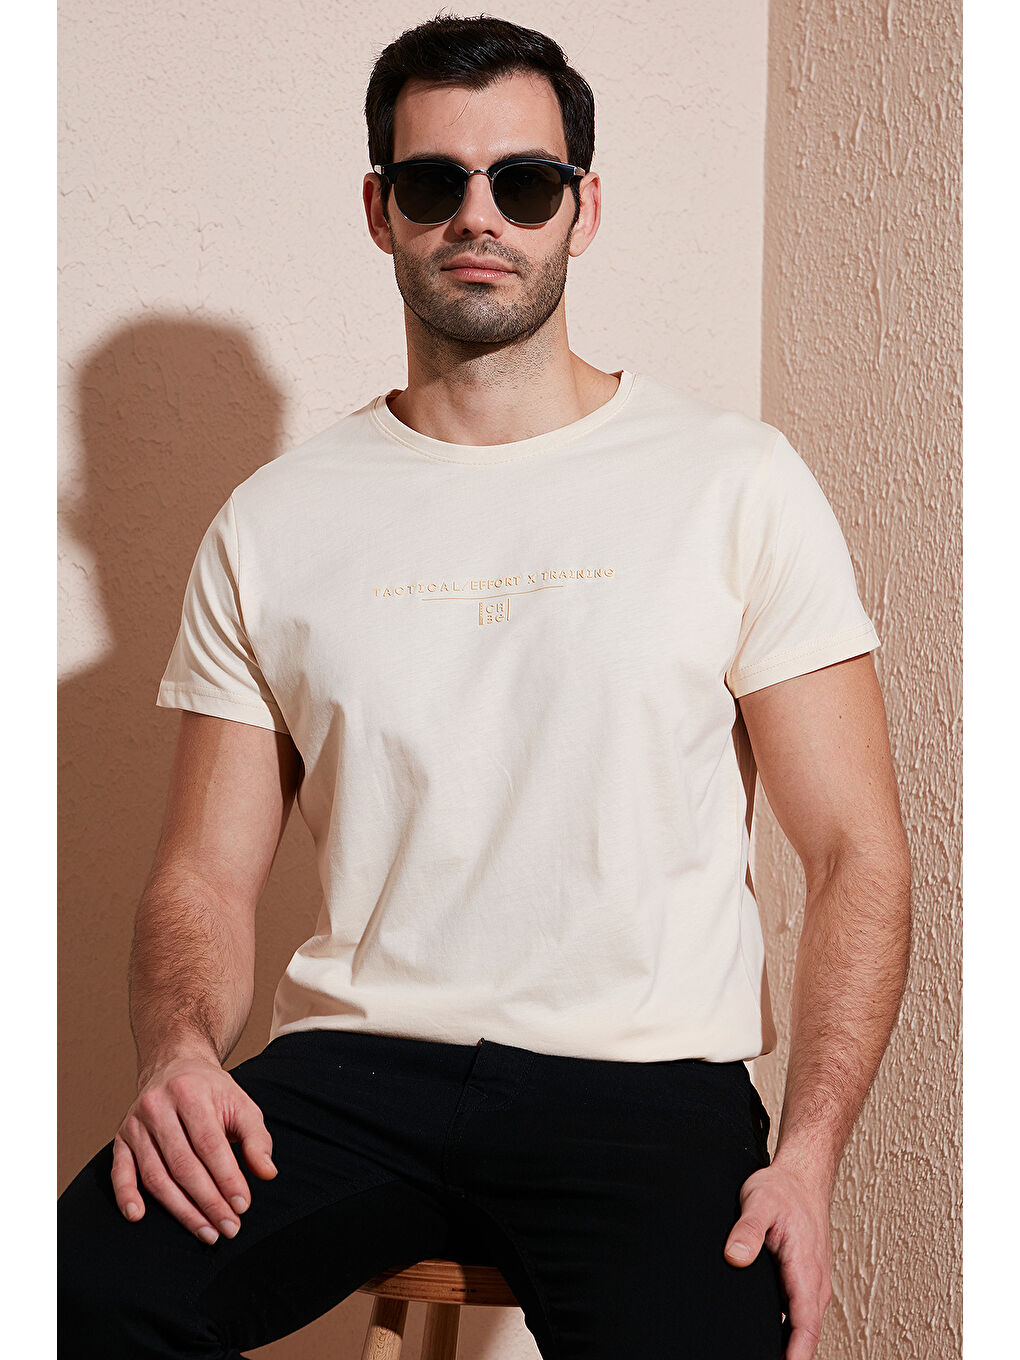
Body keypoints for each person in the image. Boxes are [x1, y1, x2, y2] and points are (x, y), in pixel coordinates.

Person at [58, 12, 911, 1359]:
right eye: (432, 182)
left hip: (644, 1081)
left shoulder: (733, 482)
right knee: (71, 1296)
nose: (479, 217)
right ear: (379, 210)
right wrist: (178, 1054)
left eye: (523, 182)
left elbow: (858, 849)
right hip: (354, 1073)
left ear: (582, 208)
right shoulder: (275, 522)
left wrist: (808, 1159)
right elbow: (204, 877)